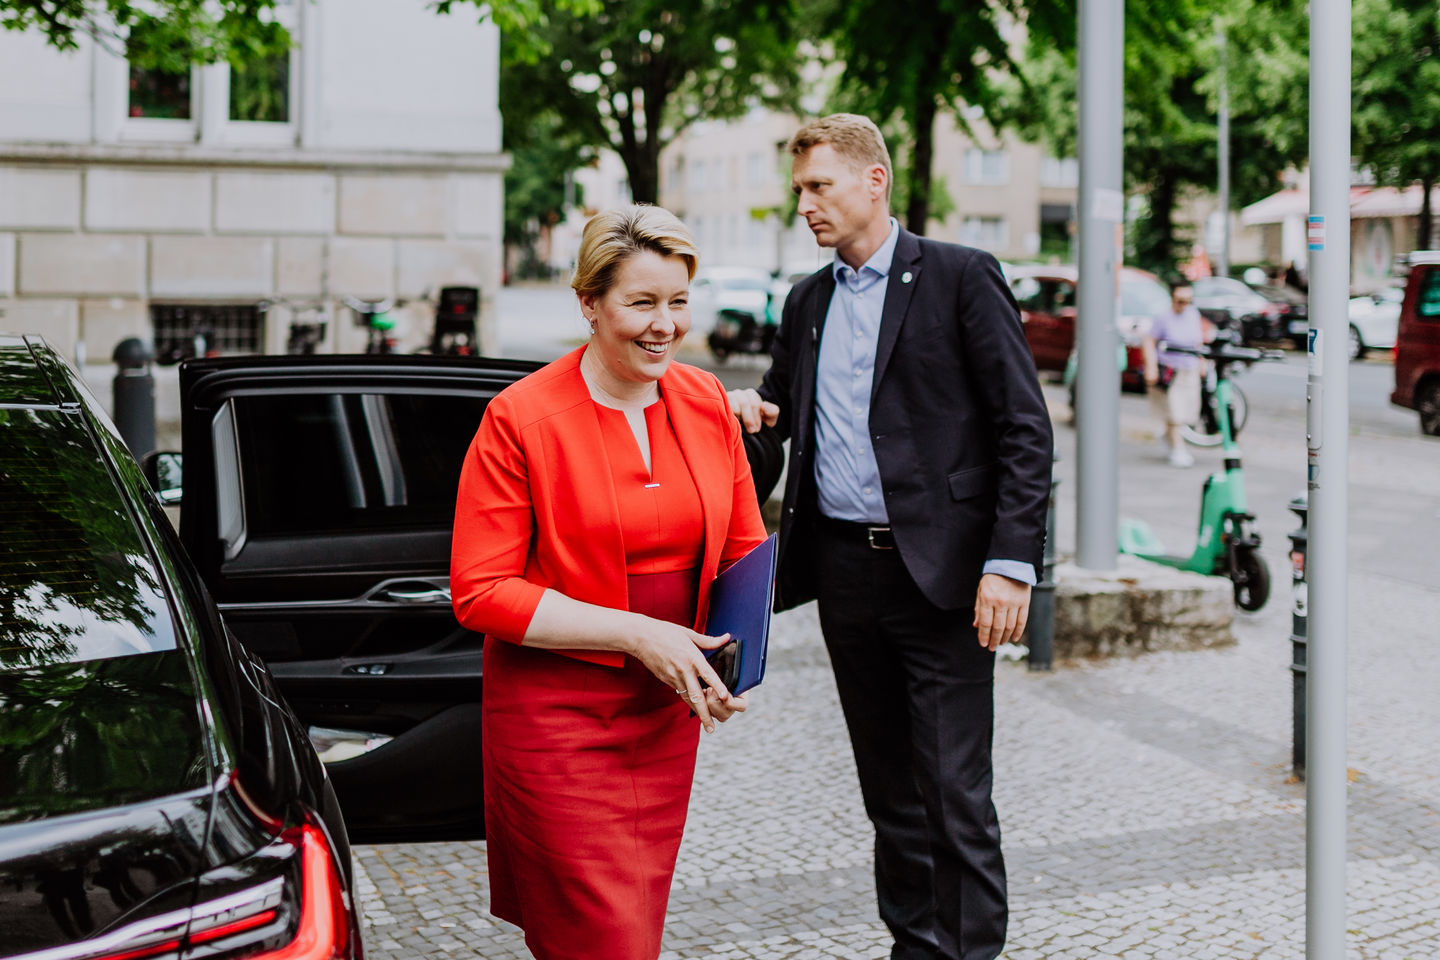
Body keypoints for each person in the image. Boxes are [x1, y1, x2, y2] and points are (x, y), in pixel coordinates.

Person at [729, 114, 1053, 960]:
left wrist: (1009, 563)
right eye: (799, 188)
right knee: (889, 795)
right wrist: (730, 418)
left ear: (874, 180)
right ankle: (916, 947)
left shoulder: (959, 277)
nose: (806, 204)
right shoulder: (807, 301)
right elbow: (776, 427)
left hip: (943, 577)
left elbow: (1024, 426)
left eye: (819, 185)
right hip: (845, 576)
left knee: (953, 792)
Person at [451, 205, 767, 960]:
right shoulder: (519, 418)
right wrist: (635, 632)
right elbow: (481, 588)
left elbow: (745, 551)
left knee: (635, 929)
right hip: (558, 724)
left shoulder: (706, 403)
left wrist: (734, 663)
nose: (666, 325)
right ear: (589, 303)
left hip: (665, 718)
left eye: (679, 301)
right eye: (642, 303)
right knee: (606, 940)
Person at [1143, 282, 1206, 468]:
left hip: (1189, 369)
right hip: (1170, 371)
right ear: (1173, 298)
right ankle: (1178, 450)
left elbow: (1198, 342)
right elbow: (1149, 341)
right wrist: (1151, 367)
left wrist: (1202, 362)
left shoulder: (1193, 314)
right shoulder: (1163, 317)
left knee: (1187, 413)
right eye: (1180, 301)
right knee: (1174, 414)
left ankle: (1167, 436)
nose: (1184, 305)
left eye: (1188, 301)